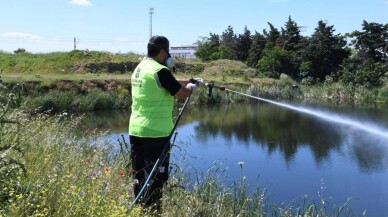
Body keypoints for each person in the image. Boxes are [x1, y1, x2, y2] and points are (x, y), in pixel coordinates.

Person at [129, 35, 198, 210]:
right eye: (167, 52)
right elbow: (181, 93)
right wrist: (191, 88)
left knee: (139, 175)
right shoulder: (160, 70)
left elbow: (168, 83)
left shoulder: (141, 67)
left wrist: (188, 81)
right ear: (162, 51)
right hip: (155, 133)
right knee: (156, 178)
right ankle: (152, 212)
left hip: (136, 130)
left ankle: (139, 209)